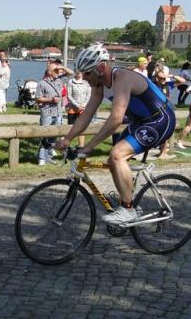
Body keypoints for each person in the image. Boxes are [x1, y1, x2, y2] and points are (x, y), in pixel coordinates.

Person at [56, 43, 176, 226]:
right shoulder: (99, 84)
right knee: (113, 160)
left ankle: (128, 209)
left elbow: (115, 119)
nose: (84, 77)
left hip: (161, 119)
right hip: (140, 121)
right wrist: (67, 138)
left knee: (117, 154)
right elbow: (87, 115)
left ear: (100, 68)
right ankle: (131, 203)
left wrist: (89, 147)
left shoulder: (122, 78)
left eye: (87, 73)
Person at [36, 62, 64, 165]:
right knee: (44, 135)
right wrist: (51, 99)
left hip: (58, 113)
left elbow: (72, 74)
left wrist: (62, 67)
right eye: (55, 70)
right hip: (47, 113)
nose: (58, 72)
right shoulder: (42, 83)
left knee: (53, 136)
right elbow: (38, 98)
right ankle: (41, 158)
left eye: (58, 70)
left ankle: (49, 156)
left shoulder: (59, 81)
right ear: (49, 72)